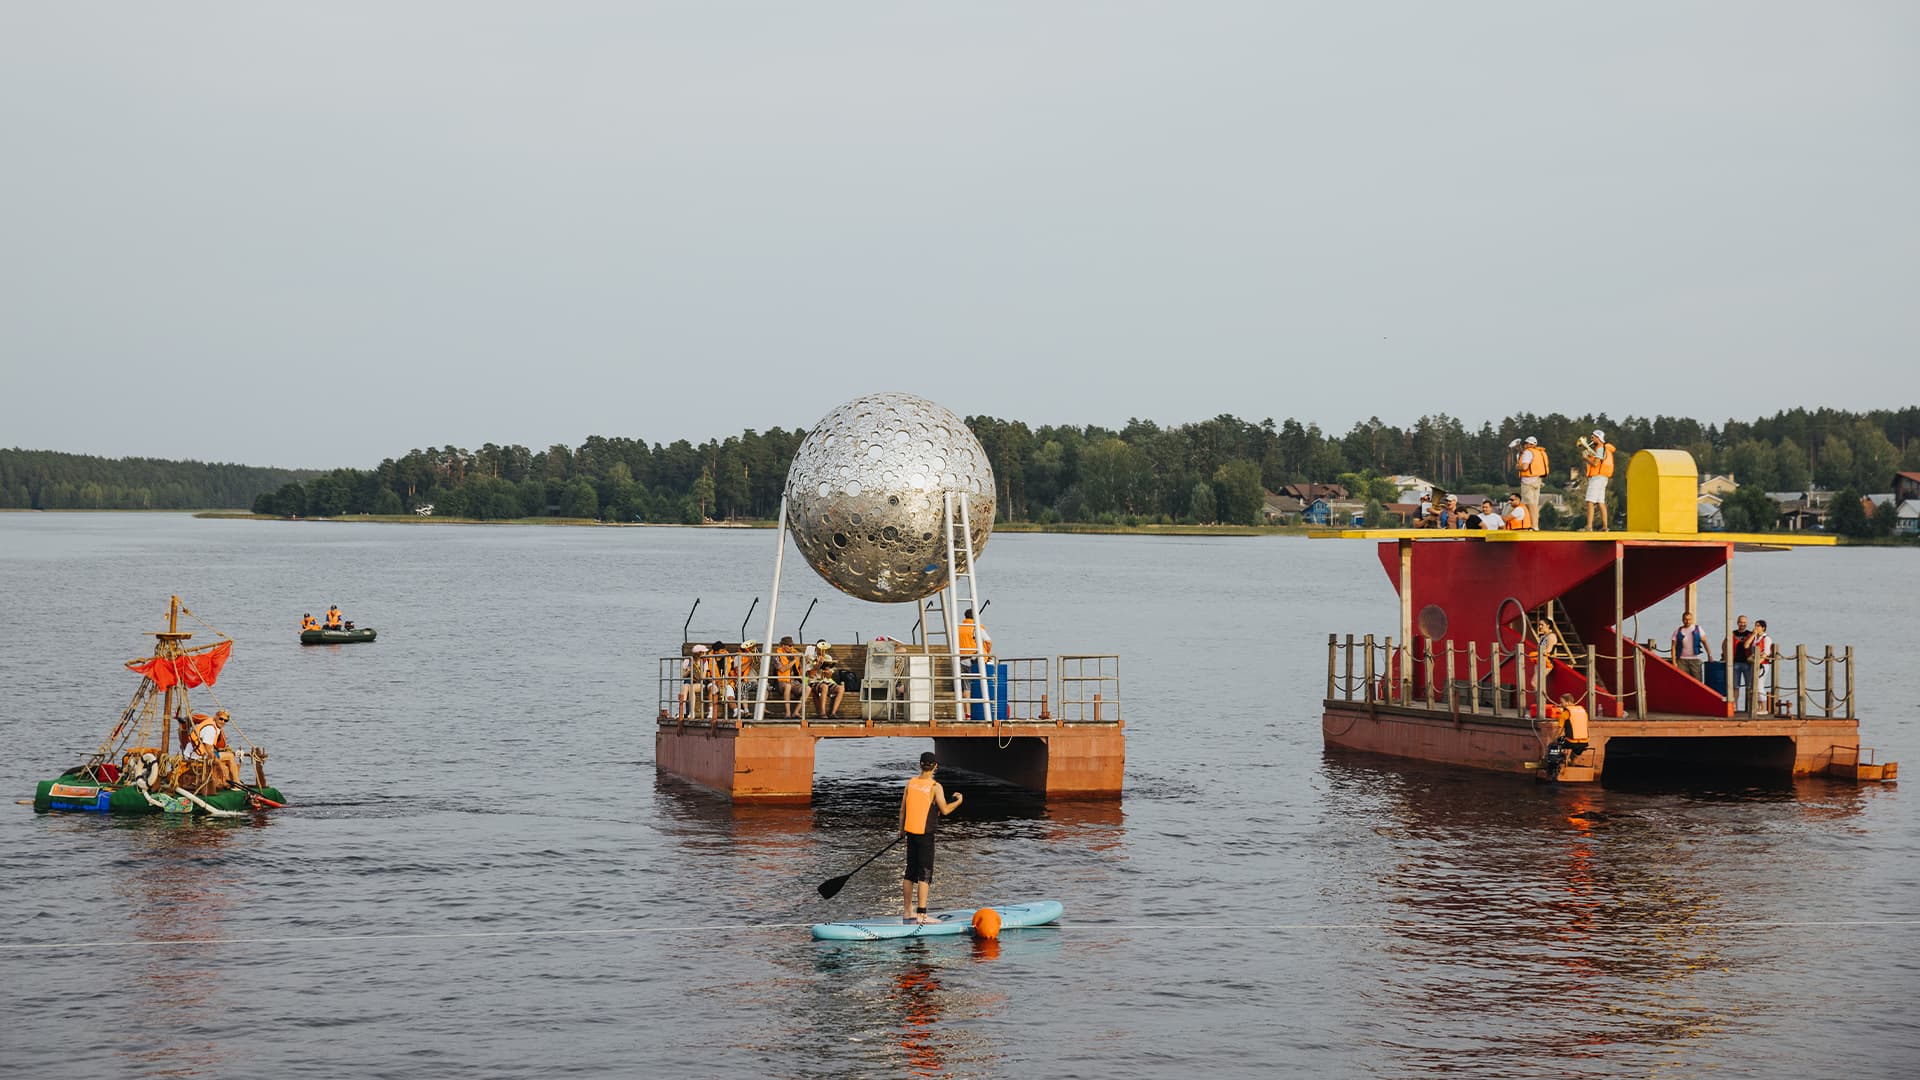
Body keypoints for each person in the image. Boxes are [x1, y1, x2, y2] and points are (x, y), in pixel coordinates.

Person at [899, 751, 962, 924]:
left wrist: (901, 830)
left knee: (909, 872)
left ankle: (907, 912)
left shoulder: (910, 783)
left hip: (910, 833)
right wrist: (958, 801)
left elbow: (903, 809)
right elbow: (945, 810)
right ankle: (921, 915)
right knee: (925, 874)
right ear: (935, 767)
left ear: (920, 765)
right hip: (925, 835)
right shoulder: (935, 786)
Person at [1580, 431, 1616, 531]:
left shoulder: (1600, 449)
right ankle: (1605, 527)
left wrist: (1586, 458)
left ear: (1598, 438)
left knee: (1590, 501)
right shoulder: (1604, 449)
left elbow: (1595, 464)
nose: (1591, 439)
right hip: (1603, 478)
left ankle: (1589, 526)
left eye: (1593, 437)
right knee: (1601, 502)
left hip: (1597, 478)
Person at [1515, 436, 1549, 524]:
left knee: (1528, 504)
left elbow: (1525, 467)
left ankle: (1532, 525)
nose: (1524, 445)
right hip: (1537, 480)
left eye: (1526, 443)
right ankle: (1535, 525)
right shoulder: (1539, 452)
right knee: (1534, 504)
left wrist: (1518, 467)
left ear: (1529, 444)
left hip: (1528, 481)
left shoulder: (1528, 453)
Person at [808, 641, 845, 718]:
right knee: (824, 687)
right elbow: (811, 674)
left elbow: (828, 676)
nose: (822, 650)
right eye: (820, 648)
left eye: (824, 648)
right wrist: (818, 664)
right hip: (814, 681)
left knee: (841, 688)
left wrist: (828, 671)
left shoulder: (828, 658)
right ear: (816, 647)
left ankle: (833, 713)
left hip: (825, 680)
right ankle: (822, 713)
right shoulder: (811, 657)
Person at [1673, 611, 1710, 682]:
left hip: (1695, 659)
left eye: (1689, 619)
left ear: (1692, 619)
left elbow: (1705, 643)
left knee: (1698, 681)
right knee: (1682, 680)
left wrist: (1709, 655)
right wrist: (1674, 661)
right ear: (1682, 620)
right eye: (1685, 619)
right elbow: (1673, 646)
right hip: (1682, 660)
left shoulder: (1698, 629)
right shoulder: (1678, 630)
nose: (1687, 621)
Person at [772, 636, 802, 718]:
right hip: (782, 681)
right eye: (789, 645)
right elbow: (782, 669)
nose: (791, 647)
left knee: (808, 688)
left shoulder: (795, 653)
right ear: (783, 646)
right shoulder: (776, 655)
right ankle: (788, 713)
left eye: (792, 645)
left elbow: (799, 668)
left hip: (794, 681)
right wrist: (794, 660)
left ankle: (796, 712)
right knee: (788, 686)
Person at [1730, 615, 1754, 711]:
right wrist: (1726, 657)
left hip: (1747, 663)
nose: (1742, 624)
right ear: (1737, 622)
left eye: (1744, 622)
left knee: (1749, 686)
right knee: (1735, 686)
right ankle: (1734, 706)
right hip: (1735, 663)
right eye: (1740, 622)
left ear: (1747, 623)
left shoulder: (1750, 634)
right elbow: (1724, 644)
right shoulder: (1732, 633)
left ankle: (1749, 706)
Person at [1750, 619, 1774, 712]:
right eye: (1755, 625)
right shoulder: (1755, 637)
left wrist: (1759, 661)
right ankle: (1757, 706)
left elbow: (1766, 652)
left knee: (1759, 685)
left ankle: (1763, 707)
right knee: (1754, 685)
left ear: (1763, 628)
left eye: (1758, 626)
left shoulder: (1766, 638)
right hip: (1754, 663)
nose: (1756, 627)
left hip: (1762, 664)